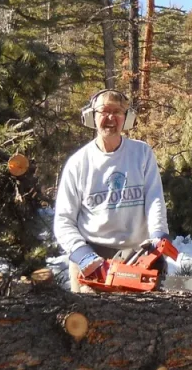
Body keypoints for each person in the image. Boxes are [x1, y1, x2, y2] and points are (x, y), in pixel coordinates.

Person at [54, 89, 169, 293]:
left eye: (117, 112)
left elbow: (154, 200)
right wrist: (82, 253)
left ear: (126, 118)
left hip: (137, 254)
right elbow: (64, 220)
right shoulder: (78, 163)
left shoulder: (141, 153)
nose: (110, 118)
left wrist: (159, 235)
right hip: (94, 257)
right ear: (92, 116)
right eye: (104, 111)